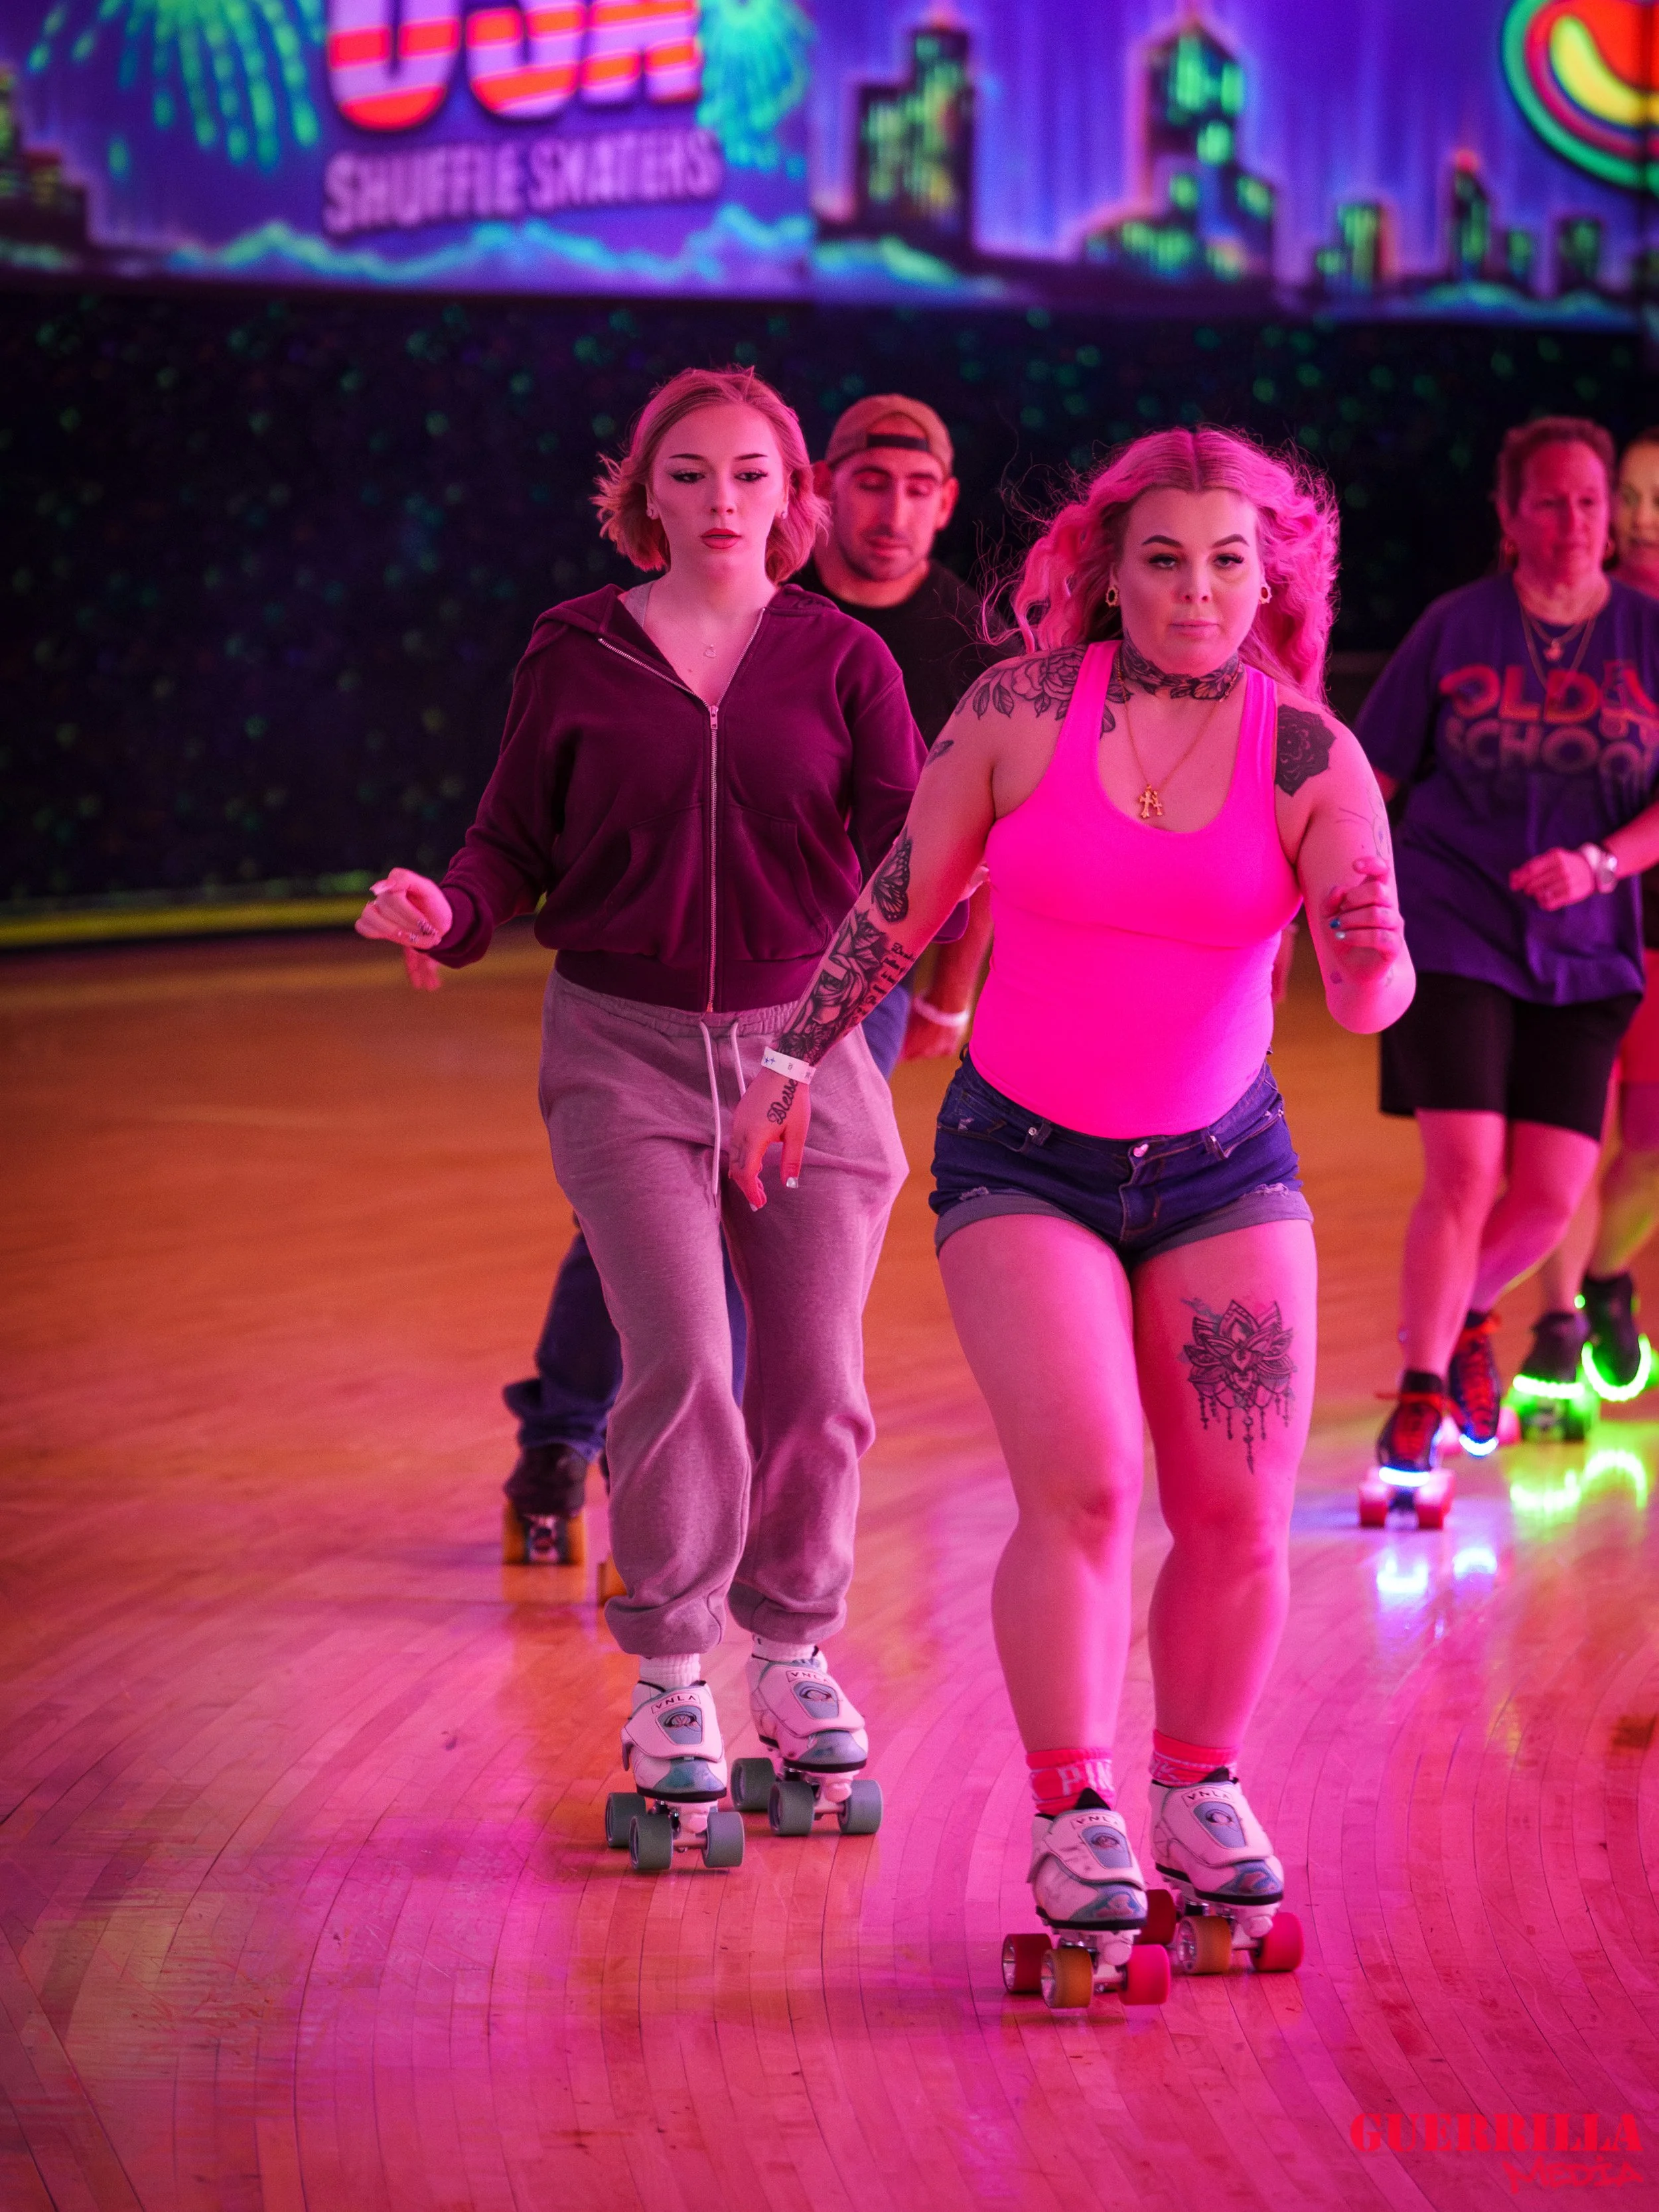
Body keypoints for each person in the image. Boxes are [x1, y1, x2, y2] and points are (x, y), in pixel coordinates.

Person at [729, 427, 1411, 1972]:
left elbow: (1371, 1002)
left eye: (1226, 562)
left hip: (1222, 1173)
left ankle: (1195, 1788)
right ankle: (1071, 1810)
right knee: (1091, 1486)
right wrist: (789, 1058)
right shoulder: (1019, 712)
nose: (1193, 591)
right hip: (1022, 1159)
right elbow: (898, 902)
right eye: (1161, 559)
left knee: (1235, 1513)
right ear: (1109, 569)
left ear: (1268, 577)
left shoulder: (1308, 754)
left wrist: (1370, 946)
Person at [357, 364, 935, 1842]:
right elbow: (505, 843)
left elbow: (911, 862)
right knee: (679, 1361)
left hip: (806, 1046)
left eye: (752, 475)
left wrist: (853, 1028)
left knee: (816, 1381)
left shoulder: (841, 661)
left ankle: (792, 1653)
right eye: (691, 474)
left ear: (792, 498)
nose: (724, 501)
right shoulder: (573, 649)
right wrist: (448, 910)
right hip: (620, 1049)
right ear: (644, 496)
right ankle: (674, 1672)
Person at [498, 392, 997, 1566]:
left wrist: (948, 992)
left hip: (832, 989)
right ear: (820, 490)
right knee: (646, 1234)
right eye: (871, 484)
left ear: (947, 505)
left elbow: (957, 841)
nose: (893, 513)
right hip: (654, 998)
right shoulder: (739, 598)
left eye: (920, 491)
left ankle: (710, 1515)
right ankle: (573, 1437)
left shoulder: (964, 643)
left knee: (770, 1237)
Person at [1357, 416, 1659, 1481]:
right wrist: (1340, 899)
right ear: (1508, 515)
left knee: (1548, 1198)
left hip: (1589, 947)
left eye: (1590, 502)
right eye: (1550, 501)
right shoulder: (1456, 625)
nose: (1574, 521)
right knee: (1468, 1169)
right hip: (1455, 926)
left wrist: (1601, 865)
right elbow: (1374, 776)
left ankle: (1468, 1318)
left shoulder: (1648, 633)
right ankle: (1424, 1388)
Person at [1520, 427, 1659, 1406]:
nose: (1645, 517)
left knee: (1652, 1140)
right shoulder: (1552, 605)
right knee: (1558, 1139)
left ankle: (1608, 1279)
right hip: (1563, 911)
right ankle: (1555, 1326)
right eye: (1632, 497)